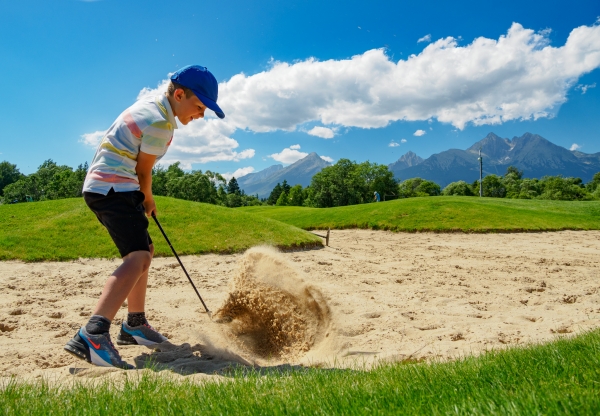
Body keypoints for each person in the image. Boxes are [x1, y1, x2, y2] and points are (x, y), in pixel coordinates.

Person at [64, 65, 225, 369]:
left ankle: (135, 324)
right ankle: (93, 333)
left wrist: (140, 200)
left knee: (144, 251)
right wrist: (147, 199)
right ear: (179, 94)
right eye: (200, 106)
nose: (201, 114)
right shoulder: (159, 122)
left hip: (110, 186)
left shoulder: (153, 107)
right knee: (137, 257)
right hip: (114, 188)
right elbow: (143, 169)